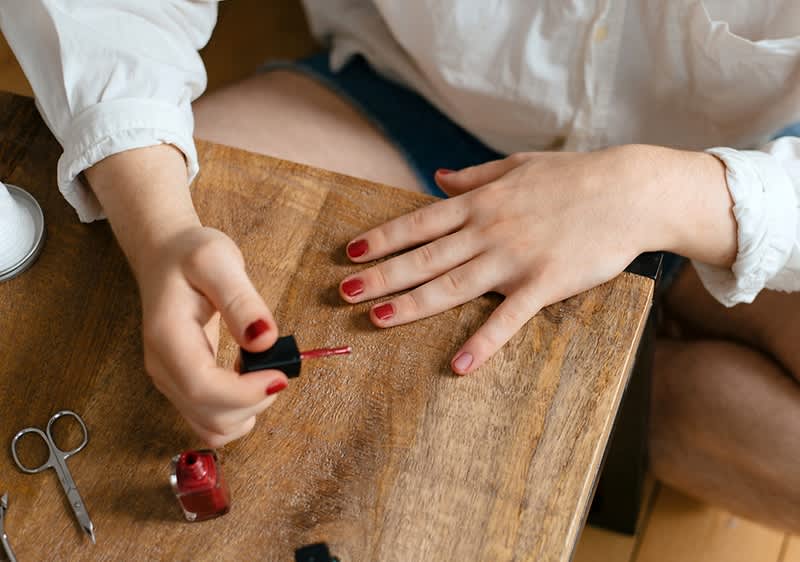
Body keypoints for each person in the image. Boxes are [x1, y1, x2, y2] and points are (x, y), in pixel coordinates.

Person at [1, 1, 799, 531]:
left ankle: (614, 382)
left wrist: (661, 193)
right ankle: (630, 401)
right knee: (90, 287)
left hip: (728, 172)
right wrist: (163, 228)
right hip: (404, 104)